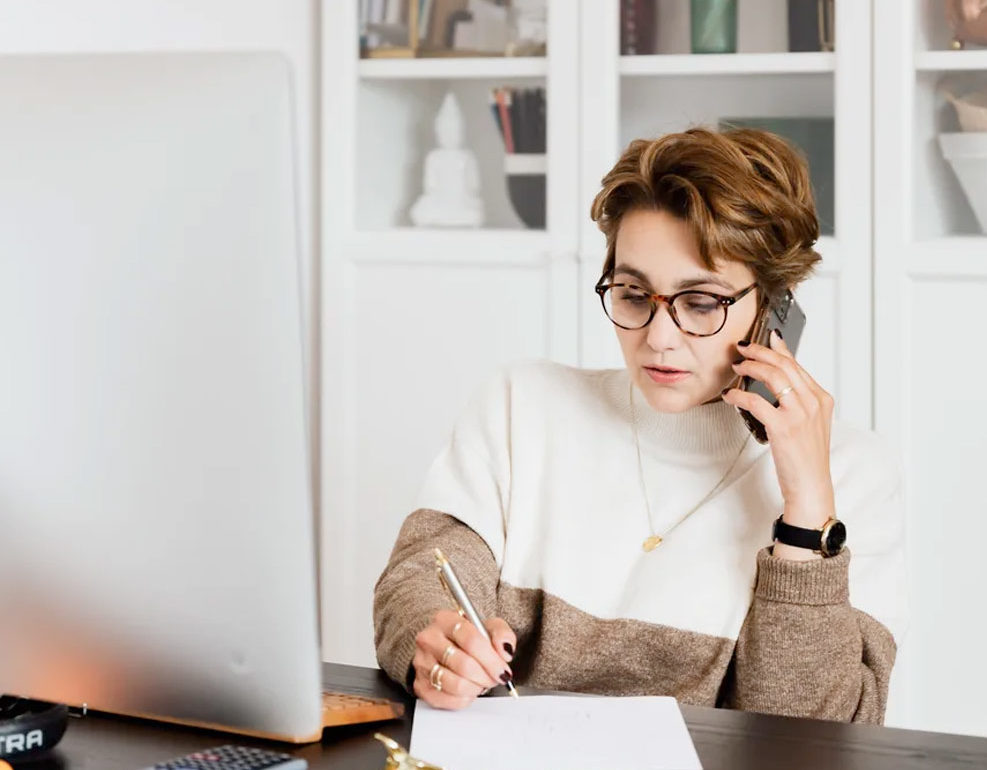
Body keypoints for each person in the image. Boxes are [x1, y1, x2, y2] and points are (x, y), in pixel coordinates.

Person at [373, 127, 906, 724]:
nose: (658, 338)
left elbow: (812, 737)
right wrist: (437, 641)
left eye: (701, 303)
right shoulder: (521, 405)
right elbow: (418, 584)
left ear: (776, 307)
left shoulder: (853, 476)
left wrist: (807, 516)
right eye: (632, 294)